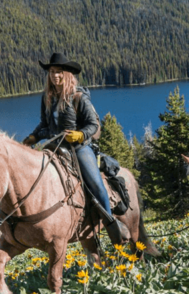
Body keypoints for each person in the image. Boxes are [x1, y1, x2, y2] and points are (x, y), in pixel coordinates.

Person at [21, 53, 129, 243]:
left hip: (79, 148)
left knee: (96, 184)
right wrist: (33, 137)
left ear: (68, 74)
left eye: (59, 72)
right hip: (54, 147)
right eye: (52, 72)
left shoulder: (78, 97)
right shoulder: (47, 97)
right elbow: (45, 125)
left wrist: (80, 135)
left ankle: (112, 225)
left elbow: (93, 125)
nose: (55, 75)